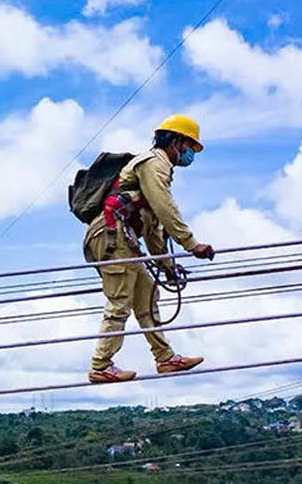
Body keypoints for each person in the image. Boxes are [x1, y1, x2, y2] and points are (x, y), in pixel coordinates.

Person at [83, 115, 215, 384]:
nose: (190, 154)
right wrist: (192, 245)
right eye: (190, 146)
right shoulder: (154, 164)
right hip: (112, 235)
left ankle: (165, 358)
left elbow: (154, 230)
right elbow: (166, 209)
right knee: (120, 302)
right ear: (176, 141)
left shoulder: (156, 169)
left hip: (122, 237)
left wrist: (168, 268)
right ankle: (100, 365)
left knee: (146, 294)